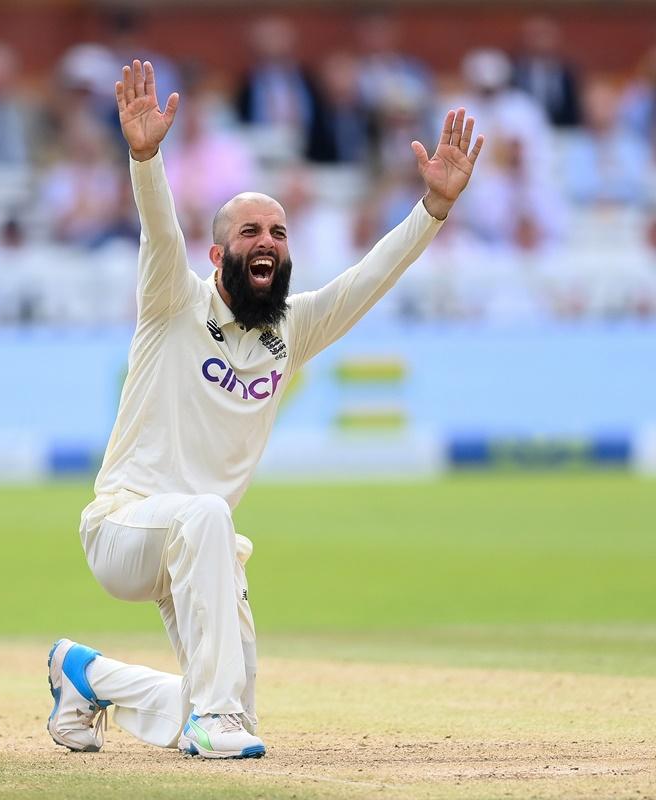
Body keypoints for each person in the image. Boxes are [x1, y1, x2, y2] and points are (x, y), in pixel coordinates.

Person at [47, 60, 483, 759]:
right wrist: (145, 157)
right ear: (218, 252)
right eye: (250, 232)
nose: (268, 243)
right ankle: (208, 722)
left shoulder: (292, 330)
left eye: (278, 234)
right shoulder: (173, 303)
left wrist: (432, 210)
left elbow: (368, 280)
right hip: (124, 526)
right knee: (208, 516)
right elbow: (160, 231)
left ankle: (87, 677)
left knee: (238, 705)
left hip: (201, 551)